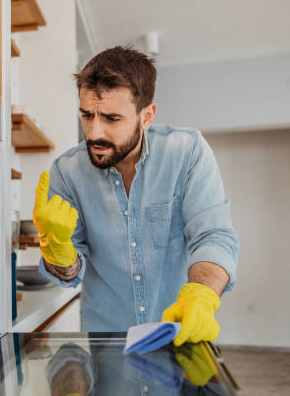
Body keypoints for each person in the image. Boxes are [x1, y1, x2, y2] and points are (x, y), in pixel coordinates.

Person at [33, 46, 239, 346]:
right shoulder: (66, 172)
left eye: (112, 118)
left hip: (180, 335)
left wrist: (201, 296)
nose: (94, 133)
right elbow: (71, 273)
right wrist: (58, 253)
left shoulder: (187, 151)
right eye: (87, 115)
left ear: (147, 116)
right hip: (107, 346)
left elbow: (214, 235)